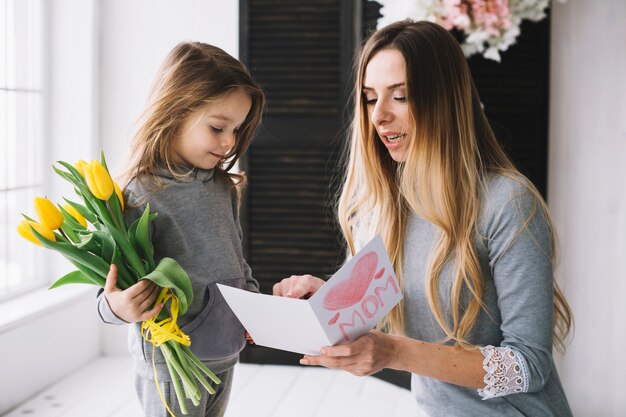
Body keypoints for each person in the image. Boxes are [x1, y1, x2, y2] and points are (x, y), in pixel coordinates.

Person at [273, 20, 573, 416]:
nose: (378, 116)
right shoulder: (384, 205)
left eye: (400, 96)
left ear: (444, 101)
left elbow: (527, 366)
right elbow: (372, 307)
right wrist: (324, 300)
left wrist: (395, 351)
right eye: (369, 98)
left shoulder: (508, 203)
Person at [96, 41, 265, 417]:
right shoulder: (139, 194)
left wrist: (252, 307)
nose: (229, 142)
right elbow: (106, 291)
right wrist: (118, 309)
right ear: (175, 112)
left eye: (236, 129)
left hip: (224, 351)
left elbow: (234, 259)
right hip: (171, 362)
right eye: (218, 127)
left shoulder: (222, 187)